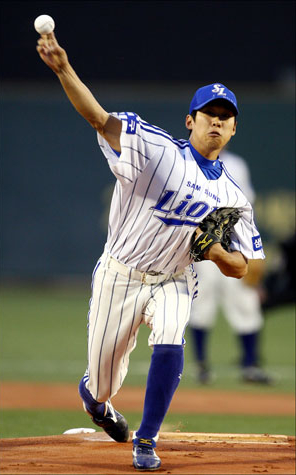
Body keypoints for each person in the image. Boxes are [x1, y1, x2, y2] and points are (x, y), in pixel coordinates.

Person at [36, 32, 265, 471]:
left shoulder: (234, 198)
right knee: (102, 385)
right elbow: (99, 119)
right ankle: (96, 402)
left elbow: (246, 266)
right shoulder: (156, 150)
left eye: (225, 117)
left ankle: (147, 438)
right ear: (189, 120)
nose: (216, 121)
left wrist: (217, 254)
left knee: (169, 342)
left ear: (234, 128)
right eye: (208, 114)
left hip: (174, 279)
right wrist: (63, 69)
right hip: (119, 274)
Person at [189, 150, 273, 385]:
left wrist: (252, 248)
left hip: (233, 245)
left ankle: (250, 365)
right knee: (200, 304)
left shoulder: (237, 164)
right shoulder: (184, 159)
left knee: (246, 303)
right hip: (199, 247)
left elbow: (247, 210)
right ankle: (201, 366)